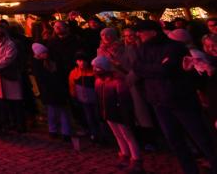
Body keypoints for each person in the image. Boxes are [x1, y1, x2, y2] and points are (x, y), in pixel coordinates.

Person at [133, 19, 217, 174]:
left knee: (201, 138)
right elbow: (137, 69)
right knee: (175, 141)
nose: (138, 34)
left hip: (180, 99)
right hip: (158, 101)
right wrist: (157, 69)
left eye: (141, 31)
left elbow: (167, 69)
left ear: (153, 31)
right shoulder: (141, 50)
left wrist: (151, 70)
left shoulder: (174, 47)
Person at [93, 55, 142, 171]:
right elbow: (99, 99)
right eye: (94, 68)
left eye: (98, 67)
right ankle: (125, 154)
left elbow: (124, 100)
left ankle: (136, 158)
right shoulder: (98, 81)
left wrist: (126, 115)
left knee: (128, 135)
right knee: (118, 135)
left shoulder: (117, 81)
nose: (95, 70)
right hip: (108, 112)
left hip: (119, 113)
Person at [0, 24, 24, 132]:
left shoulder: (10, 44)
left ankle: (19, 124)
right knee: (3, 101)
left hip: (10, 74)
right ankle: (7, 122)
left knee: (15, 101)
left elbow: (7, 59)